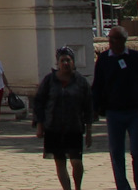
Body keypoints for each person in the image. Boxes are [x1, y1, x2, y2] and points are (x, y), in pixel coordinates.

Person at [92, 25, 138, 190]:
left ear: (122, 41)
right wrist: (95, 107)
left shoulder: (135, 58)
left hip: (135, 111)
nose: (110, 42)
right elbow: (98, 85)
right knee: (116, 153)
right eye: (109, 39)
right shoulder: (104, 59)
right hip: (114, 112)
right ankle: (122, 186)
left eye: (113, 39)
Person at [34, 47, 95, 190]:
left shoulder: (81, 82)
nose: (65, 63)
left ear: (73, 62)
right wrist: (39, 125)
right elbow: (39, 103)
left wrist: (89, 130)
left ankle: (78, 187)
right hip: (53, 127)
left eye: (68, 60)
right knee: (60, 162)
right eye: (62, 60)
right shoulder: (49, 80)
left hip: (74, 127)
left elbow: (88, 106)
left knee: (76, 161)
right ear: (58, 63)